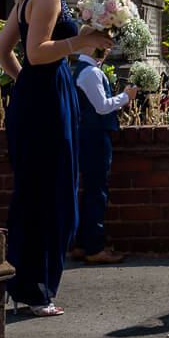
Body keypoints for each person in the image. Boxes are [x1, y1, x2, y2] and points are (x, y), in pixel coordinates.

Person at [0, 0, 113, 316]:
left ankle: (28, 286)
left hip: (39, 97)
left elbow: (1, 50)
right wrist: (80, 42)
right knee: (51, 194)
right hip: (45, 102)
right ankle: (35, 291)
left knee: (38, 192)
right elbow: (36, 52)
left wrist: (27, 85)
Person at [68, 50, 137, 266]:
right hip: (95, 136)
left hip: (88, 135)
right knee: (97, 191)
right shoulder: (90, 72)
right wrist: (126, 97)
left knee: (90, 190)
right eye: (104, 44)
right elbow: (102, 107)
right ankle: (94, 248)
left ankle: (83, 244)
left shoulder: (84, 69)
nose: (108, 49)